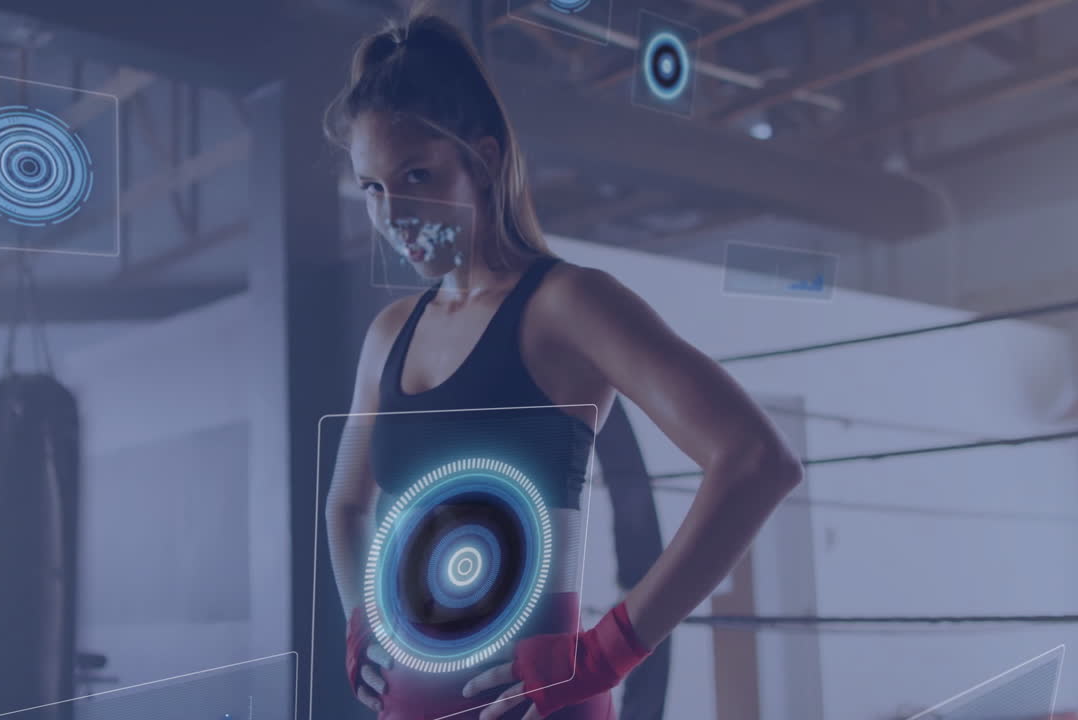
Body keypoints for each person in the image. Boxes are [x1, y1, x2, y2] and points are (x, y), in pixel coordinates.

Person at [322, 8, 803, 720]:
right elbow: (346, 504)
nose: (391, 212)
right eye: (371, 187)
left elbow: (756, 463)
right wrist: (362, 615)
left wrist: (607, 651)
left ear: (482, 161)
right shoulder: (389, 333)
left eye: (415, 173)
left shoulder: (567, 305)